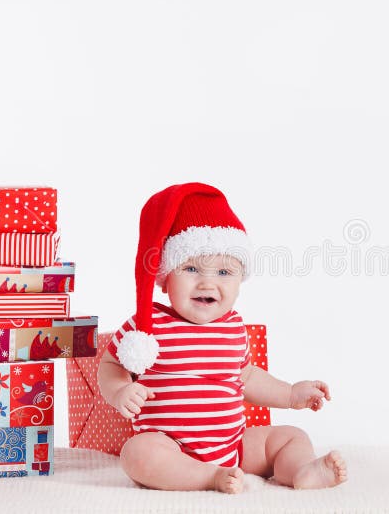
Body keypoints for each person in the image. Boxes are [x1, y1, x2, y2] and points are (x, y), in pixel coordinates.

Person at [98, 183, 347, 493]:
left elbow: (248, 377)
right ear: (164, 278)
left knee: (290, 436)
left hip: (233, 445)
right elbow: (109, 365)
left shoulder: (233, 327)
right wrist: (121, 390)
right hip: (170, 446)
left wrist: (290, 394)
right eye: (190, 268)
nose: (207, 282)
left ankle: (301, 471)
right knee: (136, 454)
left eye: (224, 273)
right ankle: (207, 477)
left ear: (240, 281)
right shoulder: (148, 324)